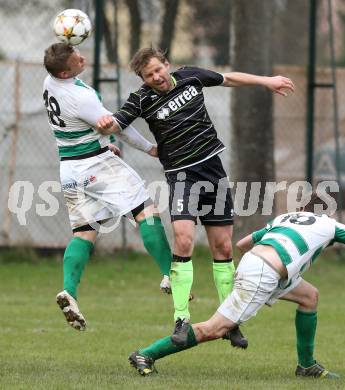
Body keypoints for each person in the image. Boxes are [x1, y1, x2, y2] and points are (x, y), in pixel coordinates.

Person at [96, 47, 295, 346]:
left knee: (223, 246)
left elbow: (229, 79)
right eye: (148, 75)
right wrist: (104, 126)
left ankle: (230, 321)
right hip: (181, 176)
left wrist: (267, 81)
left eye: (158, 70)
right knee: (184, 239)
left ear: (166, 64)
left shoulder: (190, 76)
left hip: (212, 170)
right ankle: (181, 317)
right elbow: (117, 124)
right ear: (143, 78)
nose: (156, 77)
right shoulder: (141, 99)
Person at [127, 192, 342, 379]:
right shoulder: (329, 224)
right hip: (265, 274)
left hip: (257, 263)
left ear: (303, 208)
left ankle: (307, 366)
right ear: (328, 213)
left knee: (309, 296)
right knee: (216, 328)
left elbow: (242, 244)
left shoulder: (286, 218)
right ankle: (146, 354)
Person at [43, 43, 174, 331]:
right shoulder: (80, 96)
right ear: (66, 71)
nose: (83, 57)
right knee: (145, 211)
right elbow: (120, 126)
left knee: (84, 232)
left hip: (70, 168)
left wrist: (103, 142)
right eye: (77, 58)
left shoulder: (50, 81)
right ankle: (171, 275)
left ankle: (69, 291)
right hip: (95, 165)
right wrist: (149, 148)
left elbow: (82, 127)